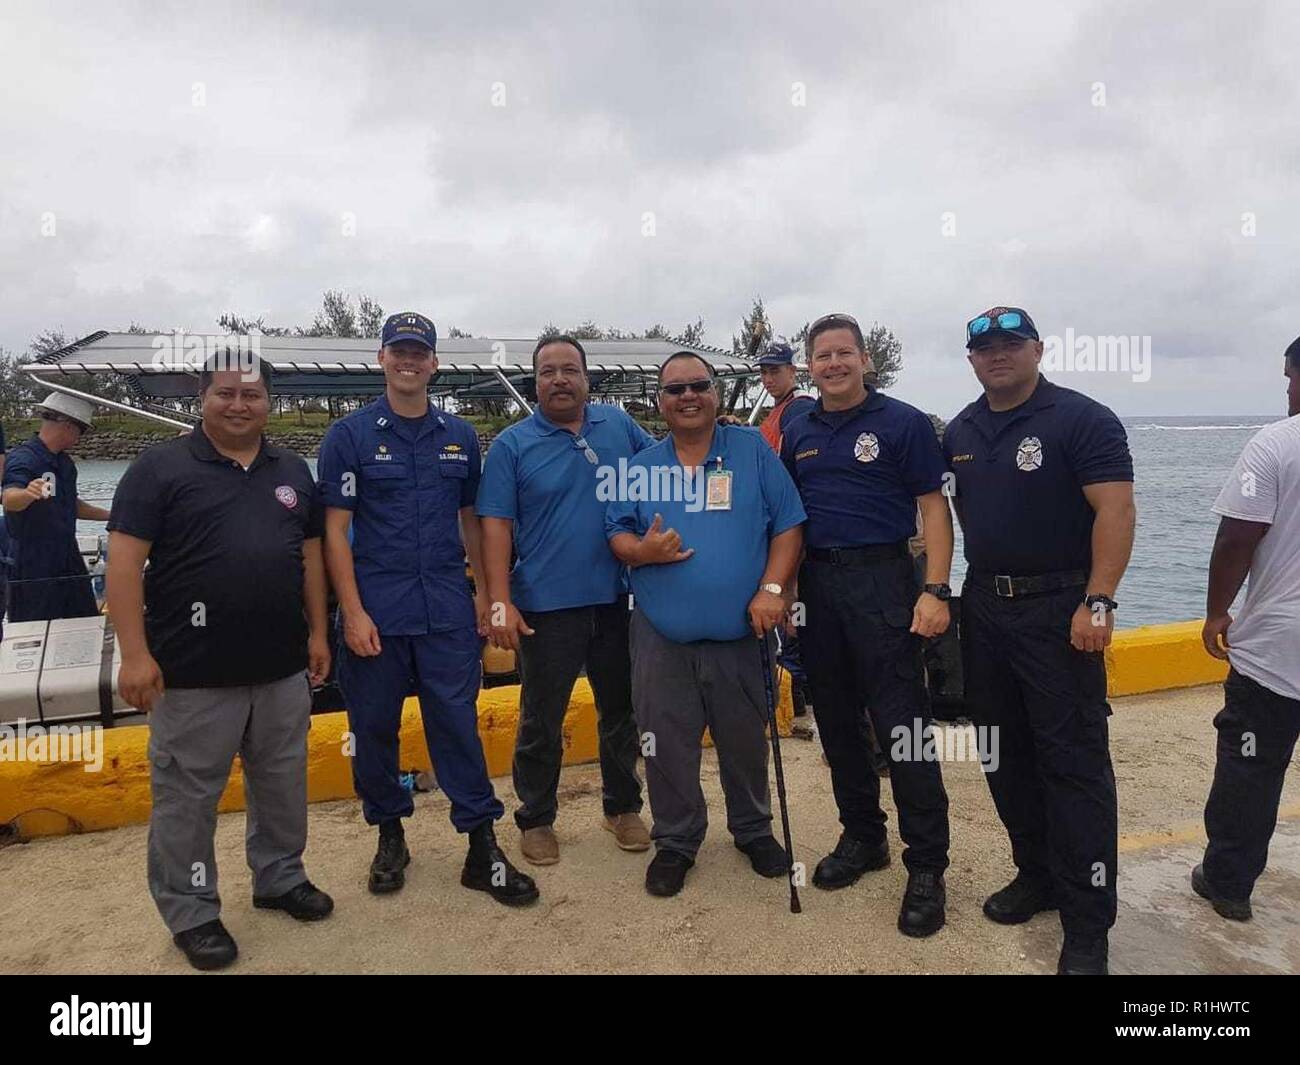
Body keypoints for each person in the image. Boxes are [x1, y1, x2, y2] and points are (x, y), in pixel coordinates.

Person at [106, 354, 334, 971]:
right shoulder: (158, 470)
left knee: (283, 784)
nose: (239, 405)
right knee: (187, 797)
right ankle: (193, 909)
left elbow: (310, 559)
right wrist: (134, 654)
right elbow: (123, 566)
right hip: (192, 670)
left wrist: (319, 633)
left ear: (269, 403)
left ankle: (280, 878)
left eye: (252, 395)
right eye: (226, 393)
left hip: (282, 665)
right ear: (201, 396)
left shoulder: (291, 471)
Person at [317, 311, 537, 905]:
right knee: (373, 730)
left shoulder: (460, 438)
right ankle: (390, 834)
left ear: (434, 363)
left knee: (456, 726)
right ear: (382, 359)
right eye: (399, 351)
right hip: (377, 613)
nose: (409, 361)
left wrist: (487, 597)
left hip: (444, 608)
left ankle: (481, 846)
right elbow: (334, 532)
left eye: (419, 352)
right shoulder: (350, 437)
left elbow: (473, 523)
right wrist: (353, 612)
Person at [943, 306, 1136, 975]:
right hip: (985, 606)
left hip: (1061, 608)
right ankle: (1038, 873)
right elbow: (934, 511)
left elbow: (1115, 508)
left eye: (1010, 344)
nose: (997, 354)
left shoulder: (1082, 419)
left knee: (1074, 763)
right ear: (971, 358)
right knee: (1003, 752)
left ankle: (1089, 925)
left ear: (1038, 350)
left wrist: (1098, 597)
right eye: (984, 347)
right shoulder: (962, 429)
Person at [606, 351, 805, 897]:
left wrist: (772, 590)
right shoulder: (640, 466)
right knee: (665, 742)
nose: (687, 396)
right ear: (659, 402)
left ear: (716, 394)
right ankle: (676, 840)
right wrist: (642, 551)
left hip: (744, 633)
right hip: (660, 635)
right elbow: (617, 535)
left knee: (745, 738)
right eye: (675, 389)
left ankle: (752, 830)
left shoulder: (753, 451)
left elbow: (789, 525)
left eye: (698, 385)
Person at [780, 312, 954, 938]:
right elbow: (789, 517)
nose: (833, 364)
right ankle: (863, 837)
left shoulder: (903, 424)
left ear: (865, 360)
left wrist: (935, 589)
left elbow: (934, 510)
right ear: (810, 365)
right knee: (838, 725)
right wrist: (788, 593)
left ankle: (927, 866)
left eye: (844, 353)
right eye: (821, 356)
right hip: (819, 588)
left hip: (886, 583)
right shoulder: (796, 427)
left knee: (903, 728)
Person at [477, 335, 653, 865]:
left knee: (621, 712)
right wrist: (499, 601)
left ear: (586, 378)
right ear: (535, 382)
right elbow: (495, 527)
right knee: (540, 718)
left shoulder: (619, 426)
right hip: (547, 606)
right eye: (548, 371)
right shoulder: (512, 445)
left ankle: (622, 808)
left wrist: (720, 442)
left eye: (569, 369)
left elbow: (666, 466)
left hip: (618, 598)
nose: (559, 379)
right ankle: (536, 818)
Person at [1194, 335, 1300, 921]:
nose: (1287, 388)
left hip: (1279, 648)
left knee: (1251, 767)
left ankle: (1229, 884)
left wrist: (1216, 612)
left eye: (1290, 376)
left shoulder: (1276, 443)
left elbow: (1238, 536)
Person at [2, 393, 108, 621]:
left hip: (67, 556)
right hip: (33, 562)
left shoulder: (65, 464)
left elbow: (72, 505)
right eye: (82, 431)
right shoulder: (24, 459)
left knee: (84, 619)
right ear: (68, 426)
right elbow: (9, 498)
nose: (80, 439)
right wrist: (27, 493)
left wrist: (114, 515)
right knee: (34, 623)